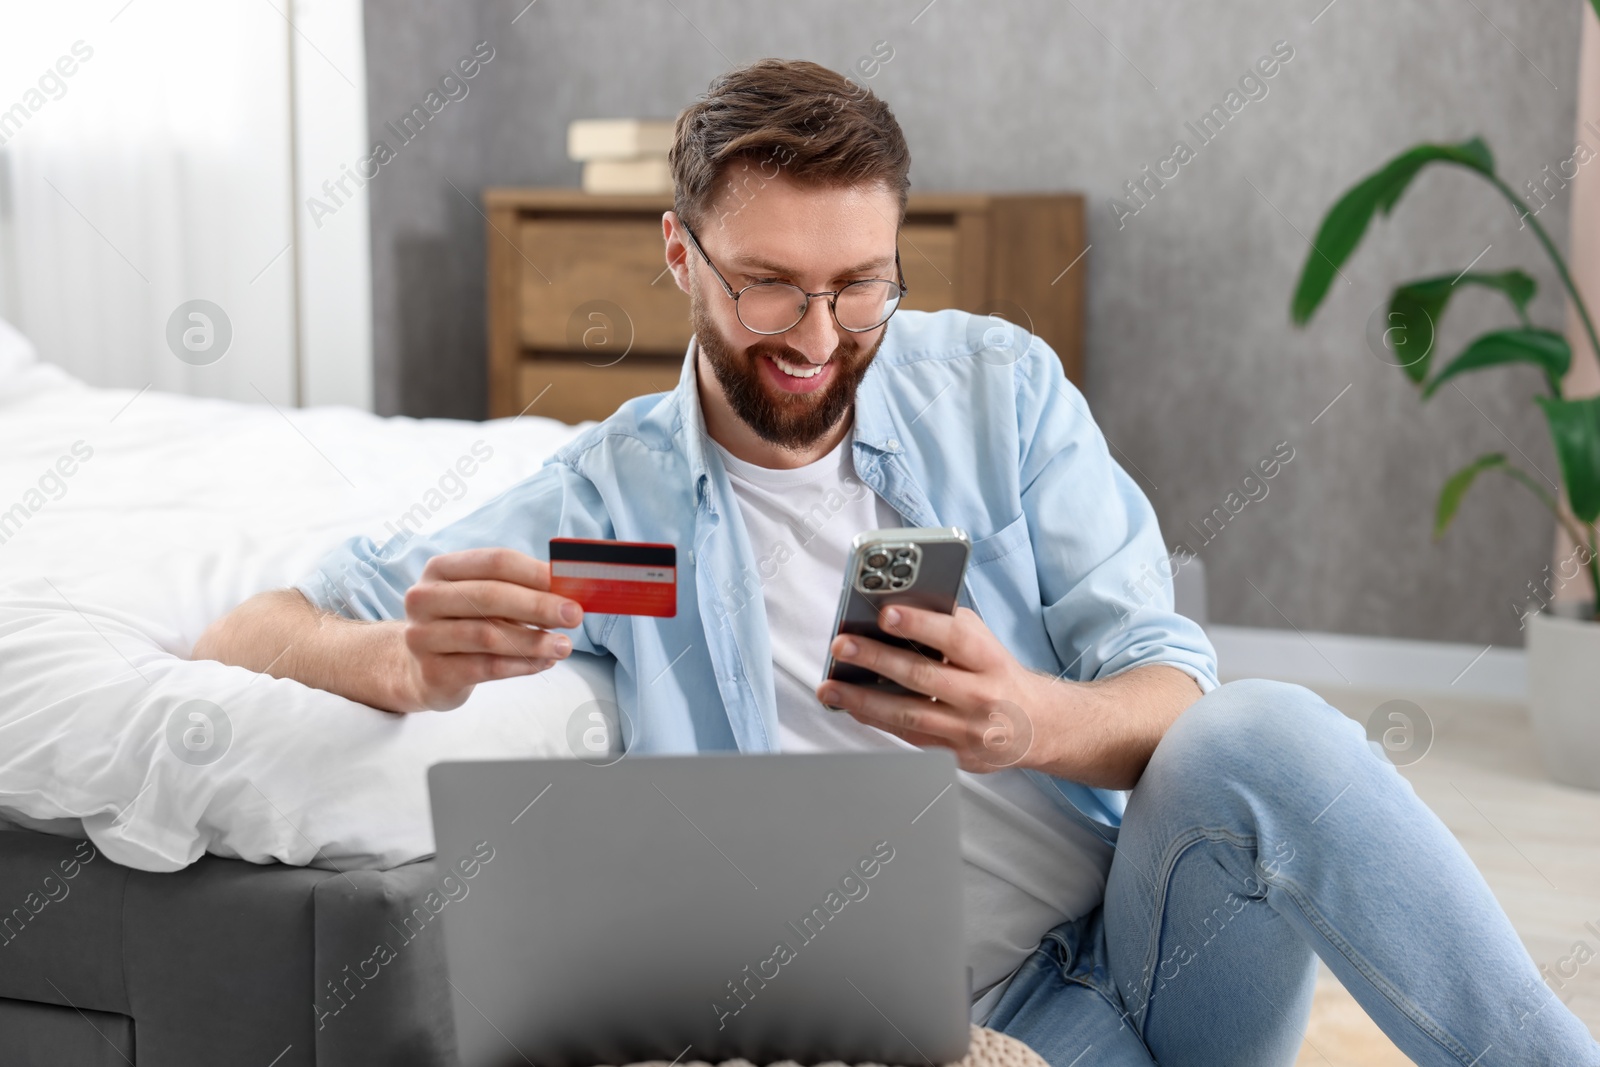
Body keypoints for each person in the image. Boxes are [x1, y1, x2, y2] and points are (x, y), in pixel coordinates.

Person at [193, 58, 1598, 1067]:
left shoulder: (1001, 390)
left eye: (861, 283)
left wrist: (1028, 721)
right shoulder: (603, 498)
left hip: (1145, 945)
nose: (816, 333)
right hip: (931, 1029)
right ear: (679, 255)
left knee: (1271, 730)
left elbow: (1172, 688)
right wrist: (394, 657)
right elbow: (258, 626)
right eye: (767, 285)